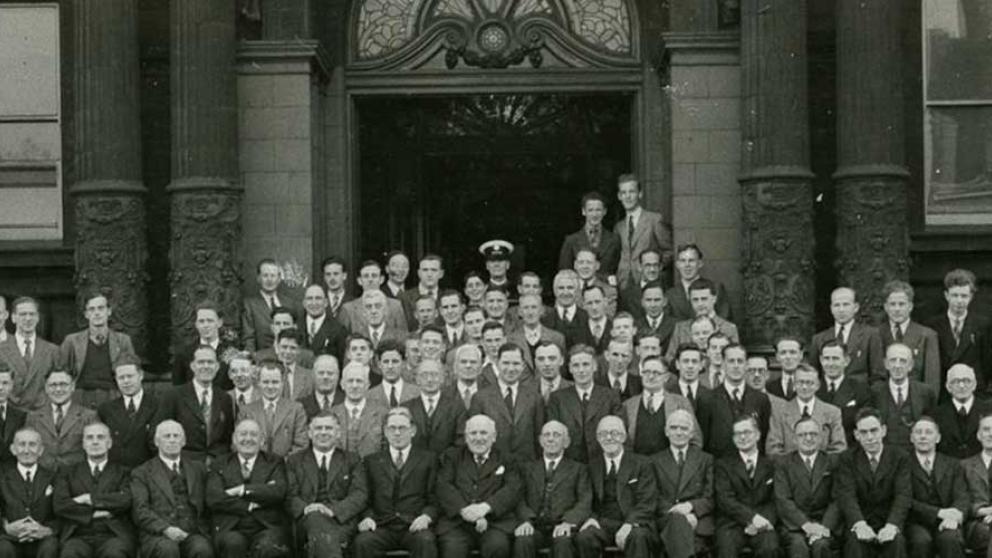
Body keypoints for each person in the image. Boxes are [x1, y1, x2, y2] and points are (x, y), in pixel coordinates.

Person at [354, 407, 438, 558]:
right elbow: (365, 497)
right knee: (363, 542)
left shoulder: (428, 459)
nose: (397, 433)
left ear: (413, 431)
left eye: (402, 428)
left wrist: (426, 517)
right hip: (381, 525)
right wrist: (367, 517)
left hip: (414, 525)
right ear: (385, 432)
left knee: (426, 541)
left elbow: (435, 496)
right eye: (392, 428)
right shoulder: (371, 461)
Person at [435, 414, 521, 558]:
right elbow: (443, 486)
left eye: (483, 433)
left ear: (494, 437)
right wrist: (465, 511)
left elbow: (512, 489)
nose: (478, 438)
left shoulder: (507, 459)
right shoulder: (452, 456)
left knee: (497, 546)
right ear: (466, 437)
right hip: (458, 523)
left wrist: (485, 508)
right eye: (473, 433)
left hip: (495, 523)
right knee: (453, 549)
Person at [285, 412, 368, 558]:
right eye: (318, 428)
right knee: (316, 519)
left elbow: (360, 494)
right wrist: (307, 508)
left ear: (338, 433)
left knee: (324, 537)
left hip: (340, 520)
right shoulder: (294, 461)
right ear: (310, 433)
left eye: (328, 428)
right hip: (306, 521)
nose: (323, 432)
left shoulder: (352, 460)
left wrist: (332, 511)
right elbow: (289, 495)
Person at [574, 415, 657, 558]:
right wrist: (592, 518)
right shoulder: (592, 466)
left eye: (614, 433)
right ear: (598, 438)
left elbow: (647, 502)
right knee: (585, 537)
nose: (608, 438)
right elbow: (587, 500)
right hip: (604, 523)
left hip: (635, 523)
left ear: (624, 437)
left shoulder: (642, 464)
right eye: (603, 434)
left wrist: (629, 523)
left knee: (638, 536)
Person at [205, 419, 289, 558]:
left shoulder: (274, 462)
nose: (248, 439)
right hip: (231, 526)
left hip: (266, 525)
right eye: (243, 434)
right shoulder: (220, 463)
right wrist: (249, 504)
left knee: (268, 546)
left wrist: (243, 489)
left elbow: (278, 492)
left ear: (262, 440)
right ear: (234, 439)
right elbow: (214, 498)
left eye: (253, 434)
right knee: (233, 544)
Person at [130, 420, 213, 558]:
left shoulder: (198, 469)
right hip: (158, 535)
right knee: (168, 550)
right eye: (166, 436)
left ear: (183, 441)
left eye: (176, 436)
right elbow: (140, 510)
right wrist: (166, 529)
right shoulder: (142, 472)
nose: (172, 440)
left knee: (202, 549)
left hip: (192, 533)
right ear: (157, 442)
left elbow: (209, 503)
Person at [835, 407, 911, 558]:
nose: (870, 437)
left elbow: (903, 495)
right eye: (864, 432)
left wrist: (892, 525)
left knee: (896, 542)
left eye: (874, 431)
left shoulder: (900, 457)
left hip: (889, 519)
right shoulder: (847, 459)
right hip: (861, 519)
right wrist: (859, 524)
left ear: (883, 430)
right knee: (855, 544)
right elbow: (847, 496)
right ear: (856, 435)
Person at [53, 422, 136, 558]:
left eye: (100, 437)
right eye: (90, 437)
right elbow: (60, 505)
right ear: (83, 444)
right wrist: (94, 514)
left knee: (115, 553)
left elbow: (125, 500)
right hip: (78, 534)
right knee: (70, 553)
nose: (95, 442)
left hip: (113, 534)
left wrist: (89, 498)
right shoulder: (67, 472)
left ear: (109, 443)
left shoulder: (124, 472)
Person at [513, 420, 592, 558]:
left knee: (563, 542)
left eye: (556, 435)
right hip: (534, 525)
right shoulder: (527, 468)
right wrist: (526, 520)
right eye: (547, 435)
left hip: (563, 525)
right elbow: (518, 498)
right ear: (540, 441)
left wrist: (568, 522)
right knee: (523, 539)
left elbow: (585, 500)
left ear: (566, 442)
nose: (550, 439)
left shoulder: (578, 469)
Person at [774, 417, 842, 558]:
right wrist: (806, 525)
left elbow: (837, 499)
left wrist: (823, 528)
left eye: (813, 434)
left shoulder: (832, 462)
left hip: (824, 524)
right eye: (802, 435)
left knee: (821, 545)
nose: (808, 438)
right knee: (798, 547)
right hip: (794, 526)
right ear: (794, 439)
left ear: (821, 437)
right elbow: (783, 500)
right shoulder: (783, 463)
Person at [650, 409, 714, 558]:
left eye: (684, 428)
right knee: (679, 530)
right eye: (673, 428)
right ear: (666, 432)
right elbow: (653, 496)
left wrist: (690, 507)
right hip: (666, 519)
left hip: (698, 520)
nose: (679, 432)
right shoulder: (654, 461)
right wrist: (679, 514)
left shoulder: (705, 460)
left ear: (691, 434)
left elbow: (711, 496)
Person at [713, 415, 780, 558]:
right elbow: (725, 500)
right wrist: (751, 518)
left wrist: (762, 521)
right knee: (726, 548)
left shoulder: (771, 465)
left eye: (747, 432)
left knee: (770, 547)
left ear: (758, 435)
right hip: (732, 523)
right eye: (737, 434)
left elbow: (776, 499)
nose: (742, 437)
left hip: (763, 521)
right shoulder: (723, 465)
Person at [160, 345, 236, 463]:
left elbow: (227, 437)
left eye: (210, 362)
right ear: (192, 366)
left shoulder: (225, 398)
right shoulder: (174, 396)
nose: (206, 366)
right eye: (201, 362)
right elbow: (162, 435)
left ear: (217, 367)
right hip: (185, 465)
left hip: (218, 465)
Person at [547, 345, 623, 463]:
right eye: (576, 366)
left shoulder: (610, 396)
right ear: (570, 369)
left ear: (595, 366)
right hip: (570, 464)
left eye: (586, 364)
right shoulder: (558, 398)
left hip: (602, 463)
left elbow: (619, 432)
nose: (581, 370)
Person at [469, 344, 544, 463]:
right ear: (497, 364)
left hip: (526, 466)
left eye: (516, 363)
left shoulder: (535, 398)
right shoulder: (480, 398)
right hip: (492, 465)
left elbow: (539, 438)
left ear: (523, 366)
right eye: (506, 363)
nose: (511, 368)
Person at [905, 417, 967, 558]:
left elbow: (962, 495)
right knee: (921, 541)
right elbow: (905, 499)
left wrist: (955, 516)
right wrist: (938, 513)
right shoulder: (903, 463)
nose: (923, 436)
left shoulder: (952, 464)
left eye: (928, 432)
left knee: (950, 538)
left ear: (938, 438)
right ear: (911, 438)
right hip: (915, 521)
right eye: (918, 432)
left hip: (947, 520)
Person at [60, 293, 135, 408]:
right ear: (86, 314)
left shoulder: (123, 340)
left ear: (109, 311)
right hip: (80, 397)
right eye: (92, 309)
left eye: (101, 308)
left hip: (113, 395)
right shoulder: (72, 341)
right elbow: (62, 371)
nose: (96, 313)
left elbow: (131, 372)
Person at [926, 269, 992, 392]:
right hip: (945, 391)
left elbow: (987, 362)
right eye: (955, 295)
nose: (959, 301)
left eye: (964, 296)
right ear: (946, 295)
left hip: (974, 391)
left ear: (971, 297)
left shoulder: (983, 325)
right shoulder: (933, 325)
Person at [0, 427, 59, 558]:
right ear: (13, 449)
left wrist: (47, 530)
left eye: (32, 445)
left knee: (51, 547)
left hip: (42, 537)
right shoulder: (2, 477)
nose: (27, 450)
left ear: (41, 450)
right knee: (3, 548)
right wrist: (6, 527)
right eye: (22, 444)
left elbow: (61, 511)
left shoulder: (53, 477)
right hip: (10, 538)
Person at [621, 356, 699, 454]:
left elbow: (695, 441)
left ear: (666, 377)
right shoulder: (628, 405)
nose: (650, 377)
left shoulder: (681, 403)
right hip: (636, 462)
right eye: (646, 372)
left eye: (656, 373)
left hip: (670, 463)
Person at [705, 344, 772, 458]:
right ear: (723, 364)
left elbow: (764, 435)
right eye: (731, 361)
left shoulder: (761, 399)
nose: (736, 366)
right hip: (720, 464)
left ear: (746, 365)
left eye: (740, 361)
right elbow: (705, 440)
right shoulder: (708, 399)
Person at [765, 364, 846, 455]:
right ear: (794, 384)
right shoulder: (779, 412)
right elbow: (773, 449)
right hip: (788, 463)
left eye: (809, 383)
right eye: (800, 382)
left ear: (818, 385)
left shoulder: (833, 412)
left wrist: (818, 463)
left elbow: (839, 448)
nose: (804, 387)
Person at [810, 287, 885, 384]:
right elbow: (813, 376)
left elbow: (878, 376)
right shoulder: (818, 339)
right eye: (837, 305)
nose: (841, 310)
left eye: (846, 305)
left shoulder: (870, 335)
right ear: (831, 308)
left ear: (856, 307)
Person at [26, 369, 98, 470]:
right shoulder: (34, 417)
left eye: (63, 384)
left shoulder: (88, 416)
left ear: (72, 387)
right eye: (53, 385)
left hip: (76, 475)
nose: (58, 389)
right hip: (43, 475)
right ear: (46, 388)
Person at [871, 343, 938, 449]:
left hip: (915, 452)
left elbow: (932, 424)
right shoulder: (874, 392)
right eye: (893, 360)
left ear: (910, 365)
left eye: (903, 361)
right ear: (886, 364)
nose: (897, 366)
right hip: (885, 452)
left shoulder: (925, 392)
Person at [98, 354, 160, 467]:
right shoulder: (106, 410)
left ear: (141, 375)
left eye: (130, 376)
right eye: (121, 377)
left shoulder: (158, 405)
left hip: (149, 471)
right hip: (117, 472)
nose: (126, 381)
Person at [238, 361, 309, 458]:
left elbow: (301, 444)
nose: (270, 386)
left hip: (287, 465)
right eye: (266, 382)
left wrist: (283, 463)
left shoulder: (296, 409)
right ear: (259, 383)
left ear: (282, 383)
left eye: (275, 382)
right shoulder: (246, 411)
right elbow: (239, 443)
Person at [0, 296, 60, 410]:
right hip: (8, 413)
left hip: (41, 413)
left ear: (38, 318)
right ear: (13, 318)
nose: (28, 318)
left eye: (32, 314)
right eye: (23, 314)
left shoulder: (52, 351)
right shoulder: (1, 349)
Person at [880, 281, 941, 391]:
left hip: (917, 398)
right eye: (892, 304)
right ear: (885, 307)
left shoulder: (927, 335)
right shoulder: (876, 334)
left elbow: (932, 379)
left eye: (901, 304)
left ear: (910, 306)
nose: (897, 309)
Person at [614, 173, 672, 289]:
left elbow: (669, 251)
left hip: (649, 284)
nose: (628, 196)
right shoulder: (618, 227)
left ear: (640, 194)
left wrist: (653, 267)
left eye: (632, 192)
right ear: (619, 196)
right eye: (624, 193)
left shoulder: (654, 220)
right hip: (624, 284)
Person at [817, 340, 872, 448]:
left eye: (835, 359)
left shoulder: (861, 389)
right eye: (827, 358)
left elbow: (864, 425)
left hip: (850, 450)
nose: (831, 364)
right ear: (821, 360)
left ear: (846, 361)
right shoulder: (812, 388)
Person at [405, 360, 465, 453]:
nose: (429, 379)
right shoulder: (407, 408)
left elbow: (460, 441)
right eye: (424, 375)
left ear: (442, 378)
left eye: (434, 375)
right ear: (417, 380)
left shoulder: (456, 407)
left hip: (448, 461)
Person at [173, 302, 235, 390]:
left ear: (219, 322)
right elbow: (178, 389)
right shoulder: (184, 354)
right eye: (201, 321)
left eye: (210, 321)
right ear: (196, 324)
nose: (206, 325)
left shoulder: (232, 353)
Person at [330, 362, 388, 458]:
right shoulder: (331, 414)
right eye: (350, 381)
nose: (354, 386)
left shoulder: (382, 414)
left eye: (359, 381)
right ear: (342, 384)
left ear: (367, 385)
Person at [558, 191, 622, 277]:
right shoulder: (571, 241)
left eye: (598, 210)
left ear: (604, 211)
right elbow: (564, 273)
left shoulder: (614, 240)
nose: (594, 214)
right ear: (583, 211)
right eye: (590, 210)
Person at [242, 258, 299, 352]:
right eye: (265, 275)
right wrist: (253, 357)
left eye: (273, 275)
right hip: (262, 356)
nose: (269, 280)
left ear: (279, 279)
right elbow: (249, 338)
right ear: (258, 278)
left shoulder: (289, 303)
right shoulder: (250, 305)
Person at [338, 260, 410, 334]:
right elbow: (342, 338)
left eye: (374, 276)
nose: (370, 279)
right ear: (359, 281)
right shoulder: (348, 309)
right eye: (366, 276)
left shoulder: (395, 306)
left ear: (381, 279)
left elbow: (403, 335)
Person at [666, 244, 732, 322]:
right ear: (677, 265)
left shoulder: (717, 288)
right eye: (683, 261)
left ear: (700, 263)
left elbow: (724, 319)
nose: (687, 265)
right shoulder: (670, 295)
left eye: (691, 260)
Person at [961, 413, 992, 555]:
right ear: (979, 435)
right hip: (976, 524)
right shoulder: (964, 466)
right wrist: (982, 511)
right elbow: (960, 500)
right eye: (986, 429)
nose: (991, 434)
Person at [509, 294, 566, 371]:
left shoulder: (557, 338)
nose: (530, 312)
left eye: (534, 307)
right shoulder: (510, 339)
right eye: (526, 308)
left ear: (541, 310)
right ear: (520, 311)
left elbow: (562, 369)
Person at [300, 283, 348, 364]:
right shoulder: (296, 325)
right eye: (309, 299)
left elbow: (341, 362)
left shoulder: (338, 330)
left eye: (318, 298)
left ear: (326, 302)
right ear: (304, 303)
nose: (314, 303)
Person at [543, 271, 590, 349]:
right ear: (555, 291)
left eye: (570, 288)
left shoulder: (588, 318)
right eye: (561, 288)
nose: (565, 292)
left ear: (577, 291)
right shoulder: (544, 320)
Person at [367, 341, 420, 408]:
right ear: (379, 364)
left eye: (395, 361)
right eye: (386, 362)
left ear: (403, 364)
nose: (390, 366)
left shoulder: (417, 394)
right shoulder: (368, 396)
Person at [399, 255, 445, 330]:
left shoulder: (447, 298)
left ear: (441, 273)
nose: (429, 274)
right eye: (425, 270)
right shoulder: (404, 298)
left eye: (434, 270)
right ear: (419, 273)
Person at [618, 250, 663, 320]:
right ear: (639, 267)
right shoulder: (626, 296)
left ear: (660, 267)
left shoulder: (669, 293)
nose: (652, 269)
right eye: (647, 265)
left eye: (655, 265)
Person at [273, 328, 315, 401]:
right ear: (277, 347)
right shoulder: (267, 373)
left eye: (293, 348)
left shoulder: (309, 377)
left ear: (299, 350)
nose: (288, 352)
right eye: (284, 347)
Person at [300, 354, 346, 419]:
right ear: (313, 375)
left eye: (330, 373)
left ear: (338, 375)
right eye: (321, 373)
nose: (325, 377)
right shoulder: (300, 406)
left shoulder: (347, 402)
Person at [634, 281, 676, 349]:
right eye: (648, 300)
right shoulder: (635, 326)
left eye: (657, 300)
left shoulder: (676, 325)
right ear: (642, 302)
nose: (653, 305)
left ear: (665, 301)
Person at [0, 364, 27, 463]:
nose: (0, 388)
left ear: (11, 385)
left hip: (11, 469)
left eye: (5, 383)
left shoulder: (20, 415)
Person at [446, 344, 485, 411]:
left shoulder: (491, 394)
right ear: (455, 367)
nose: (468, 366)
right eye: (463, 362)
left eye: (473, 362)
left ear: (480, 368)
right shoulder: (444, 394)